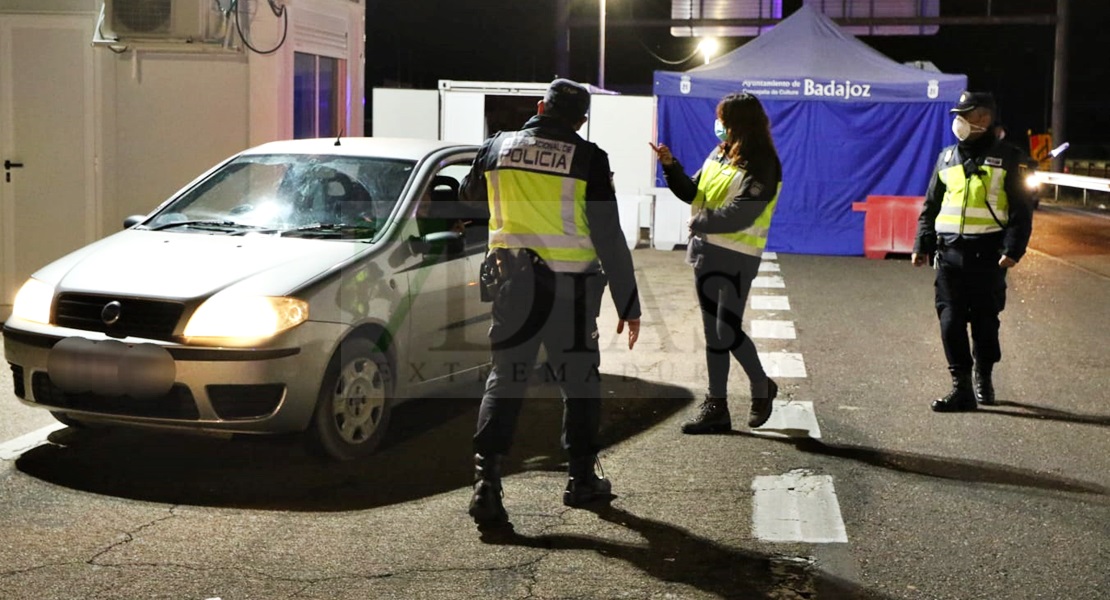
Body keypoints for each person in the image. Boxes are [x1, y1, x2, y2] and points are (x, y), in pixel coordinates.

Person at [460, 78, 642, 528]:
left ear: (541, 106)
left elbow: (469, 197)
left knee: (505, 379)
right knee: (579, 384)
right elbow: (608, 235)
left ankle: (486, 488)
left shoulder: (496, 147)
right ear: (581, 119)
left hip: (512, 285)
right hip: (572, 291)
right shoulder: (590, 159)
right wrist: (629, 302)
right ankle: (581, 481)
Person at [650, 92, 782, 435]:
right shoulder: (719, 154)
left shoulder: (764, 163)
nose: (718, 125)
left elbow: (745, 210)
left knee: (727, 329)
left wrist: (704, 222)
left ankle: (761, 386)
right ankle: (717, 407)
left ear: (739, 123)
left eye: (723, 119)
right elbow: (694, 192)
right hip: (705, 253)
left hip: (738, 256)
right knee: (713, 332)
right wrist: (671, 166)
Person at [912, 91, 1033, 411]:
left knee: (984, 323)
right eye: (958, 116)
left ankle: (984, 375)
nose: (959, 122)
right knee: (950, 321)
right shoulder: (946, 157)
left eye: (966, 116)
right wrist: (921, 244)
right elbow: (931, 206)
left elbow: (1022, 211)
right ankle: (961, 386)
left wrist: (1014, 249)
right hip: (949, 254)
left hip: (989, 256)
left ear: (985, 119)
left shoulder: (1009, 158)